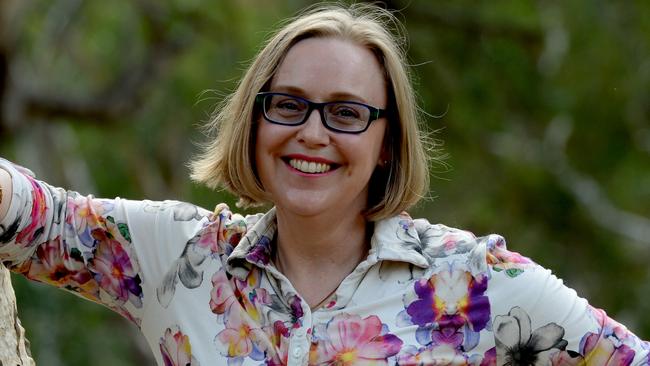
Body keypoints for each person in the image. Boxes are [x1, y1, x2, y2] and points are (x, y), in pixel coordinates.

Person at [0, 3, 648, 366]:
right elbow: (37, 220)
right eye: (288, 105)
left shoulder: (474, 283)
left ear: (387, 140)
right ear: (255, 120)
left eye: (346, 113)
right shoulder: (178, 258)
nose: (312, 134)